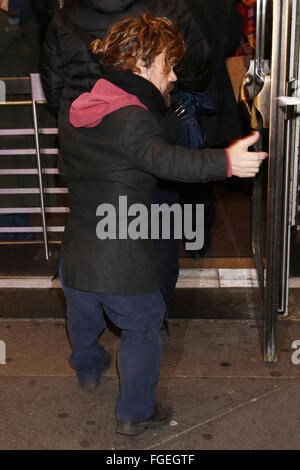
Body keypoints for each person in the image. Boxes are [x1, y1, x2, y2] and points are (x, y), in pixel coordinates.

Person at [58, 13, 267, 436]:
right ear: (145, 62)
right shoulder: (133, 117)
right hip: (122, 261)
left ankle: (88, 369)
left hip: (77, 253)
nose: (173, 76)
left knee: (83, 320)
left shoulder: (81, 106)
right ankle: (135, 412)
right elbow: (165, 159)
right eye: (169, 64)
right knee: (143, 326)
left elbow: (76, 168)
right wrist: (226, 161)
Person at [40, 0, 213, 332]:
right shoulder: (169, 7)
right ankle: (151, 318)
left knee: (91, 228)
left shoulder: (65, 16)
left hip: (88, 147)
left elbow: (54, 88)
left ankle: (93, 319)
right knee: (158, 230)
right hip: (152, 132)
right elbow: (197, 70)